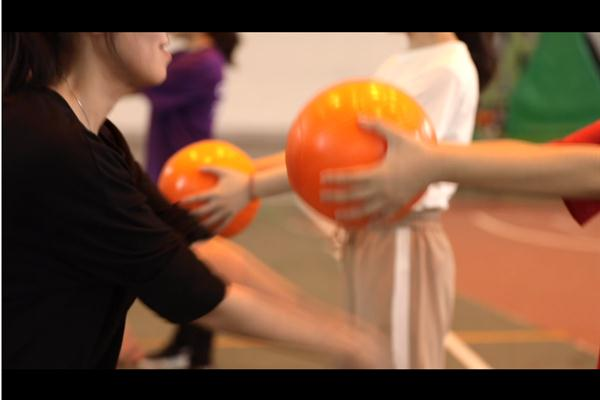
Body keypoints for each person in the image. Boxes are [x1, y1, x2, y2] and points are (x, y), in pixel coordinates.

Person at [2, 32, 391, 369]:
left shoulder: (95, 136)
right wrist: (353, 345)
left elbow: (195, 244)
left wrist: (340, 328)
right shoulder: (56, 144)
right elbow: (190, 290)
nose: (167, 35)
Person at [182, 32, 498, 368]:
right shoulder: (400, 63)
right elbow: (329, 149)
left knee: (397, 360)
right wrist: (246, 171)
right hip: (371, 234)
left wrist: (251, 185)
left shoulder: (447, 67)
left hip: (404, 237)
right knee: (364, 354)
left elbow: (381, 164)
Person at [121, 32, 240, 369]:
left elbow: (139, 78)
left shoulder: (204, 62)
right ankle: (185, 347)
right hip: (173, 174)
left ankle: (195, 353)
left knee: (197, 263)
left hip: (192, 179)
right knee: (192, 260)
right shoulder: (191, 59)